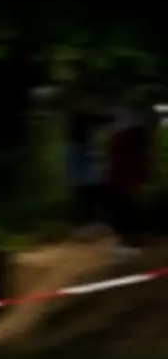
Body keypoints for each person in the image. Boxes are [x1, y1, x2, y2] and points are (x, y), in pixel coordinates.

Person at [104, 105, 154, 254]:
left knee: (124, 196)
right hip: (128, 142)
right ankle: (132, 237)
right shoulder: (138, 120)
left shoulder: (128, 131)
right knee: (127, 196)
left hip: (126, 142)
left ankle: (130, 238)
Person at [65, 89, 114, 237]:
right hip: (80, 152)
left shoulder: (80, 116)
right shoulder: (80, 116)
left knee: (90, 187)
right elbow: (101, 119)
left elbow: (102, 119)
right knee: (89, 187)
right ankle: (86, 224)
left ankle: (88, 224)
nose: (92, 104)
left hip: (81, 152)